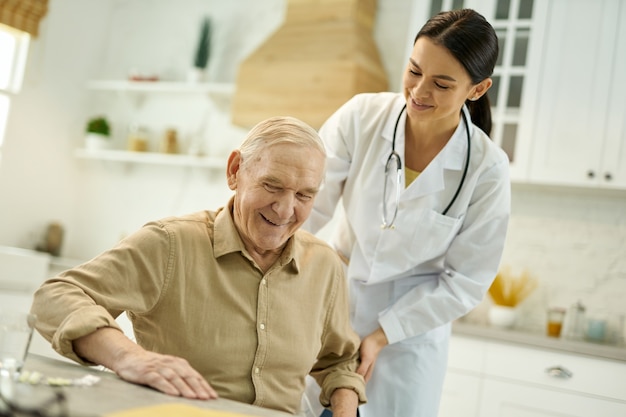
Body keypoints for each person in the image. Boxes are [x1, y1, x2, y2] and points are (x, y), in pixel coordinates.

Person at [30, 116, 366, 416]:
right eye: (272, 186)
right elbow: (55, 297)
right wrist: (127, 356)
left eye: (304, 195)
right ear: (235, 170)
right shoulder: (169, 244)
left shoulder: (324, 265)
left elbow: (340, 362)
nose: (285, 209)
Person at [304, 9, 510, 417]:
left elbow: (466, 281)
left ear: (477, 89)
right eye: (414, 71)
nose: (418, 90)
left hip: (408, 336)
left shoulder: (486, 169)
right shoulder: (362, 117)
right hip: (332, 308)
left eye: (441, 83)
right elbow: (308, 206)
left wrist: (382, 335)